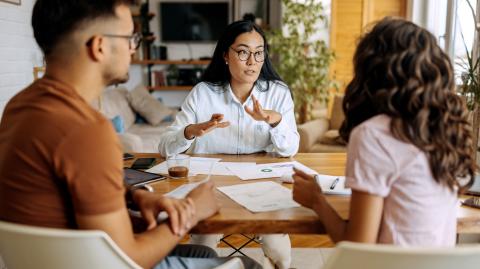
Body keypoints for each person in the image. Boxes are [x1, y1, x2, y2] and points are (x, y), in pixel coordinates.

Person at [0, 1, 261, 269]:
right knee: (247, 265)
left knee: (205, 255)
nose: (134, 47)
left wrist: (134, 196)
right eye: (129, 37)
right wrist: (192, 211)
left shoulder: (19, 106)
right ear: (99, 46)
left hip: (48, 259)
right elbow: (128, 260)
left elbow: (66, 189)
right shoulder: (86, 131)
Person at [292, 17, 475, 246]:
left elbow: (358, 249)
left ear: (371, 71)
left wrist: (317, 201)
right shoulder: (443, 128)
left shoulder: (373, 134)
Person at [158, 20, 299, 269]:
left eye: (258, 52)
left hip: (261, 185)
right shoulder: (203, 93)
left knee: (279, 250)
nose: (252, 61)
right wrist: (192, 130)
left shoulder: (278, 92)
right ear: (225, 55)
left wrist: (273, 120)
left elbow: (289, 150)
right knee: (203, 243)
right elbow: (165, 148)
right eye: (243, 52)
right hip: (212, 186)